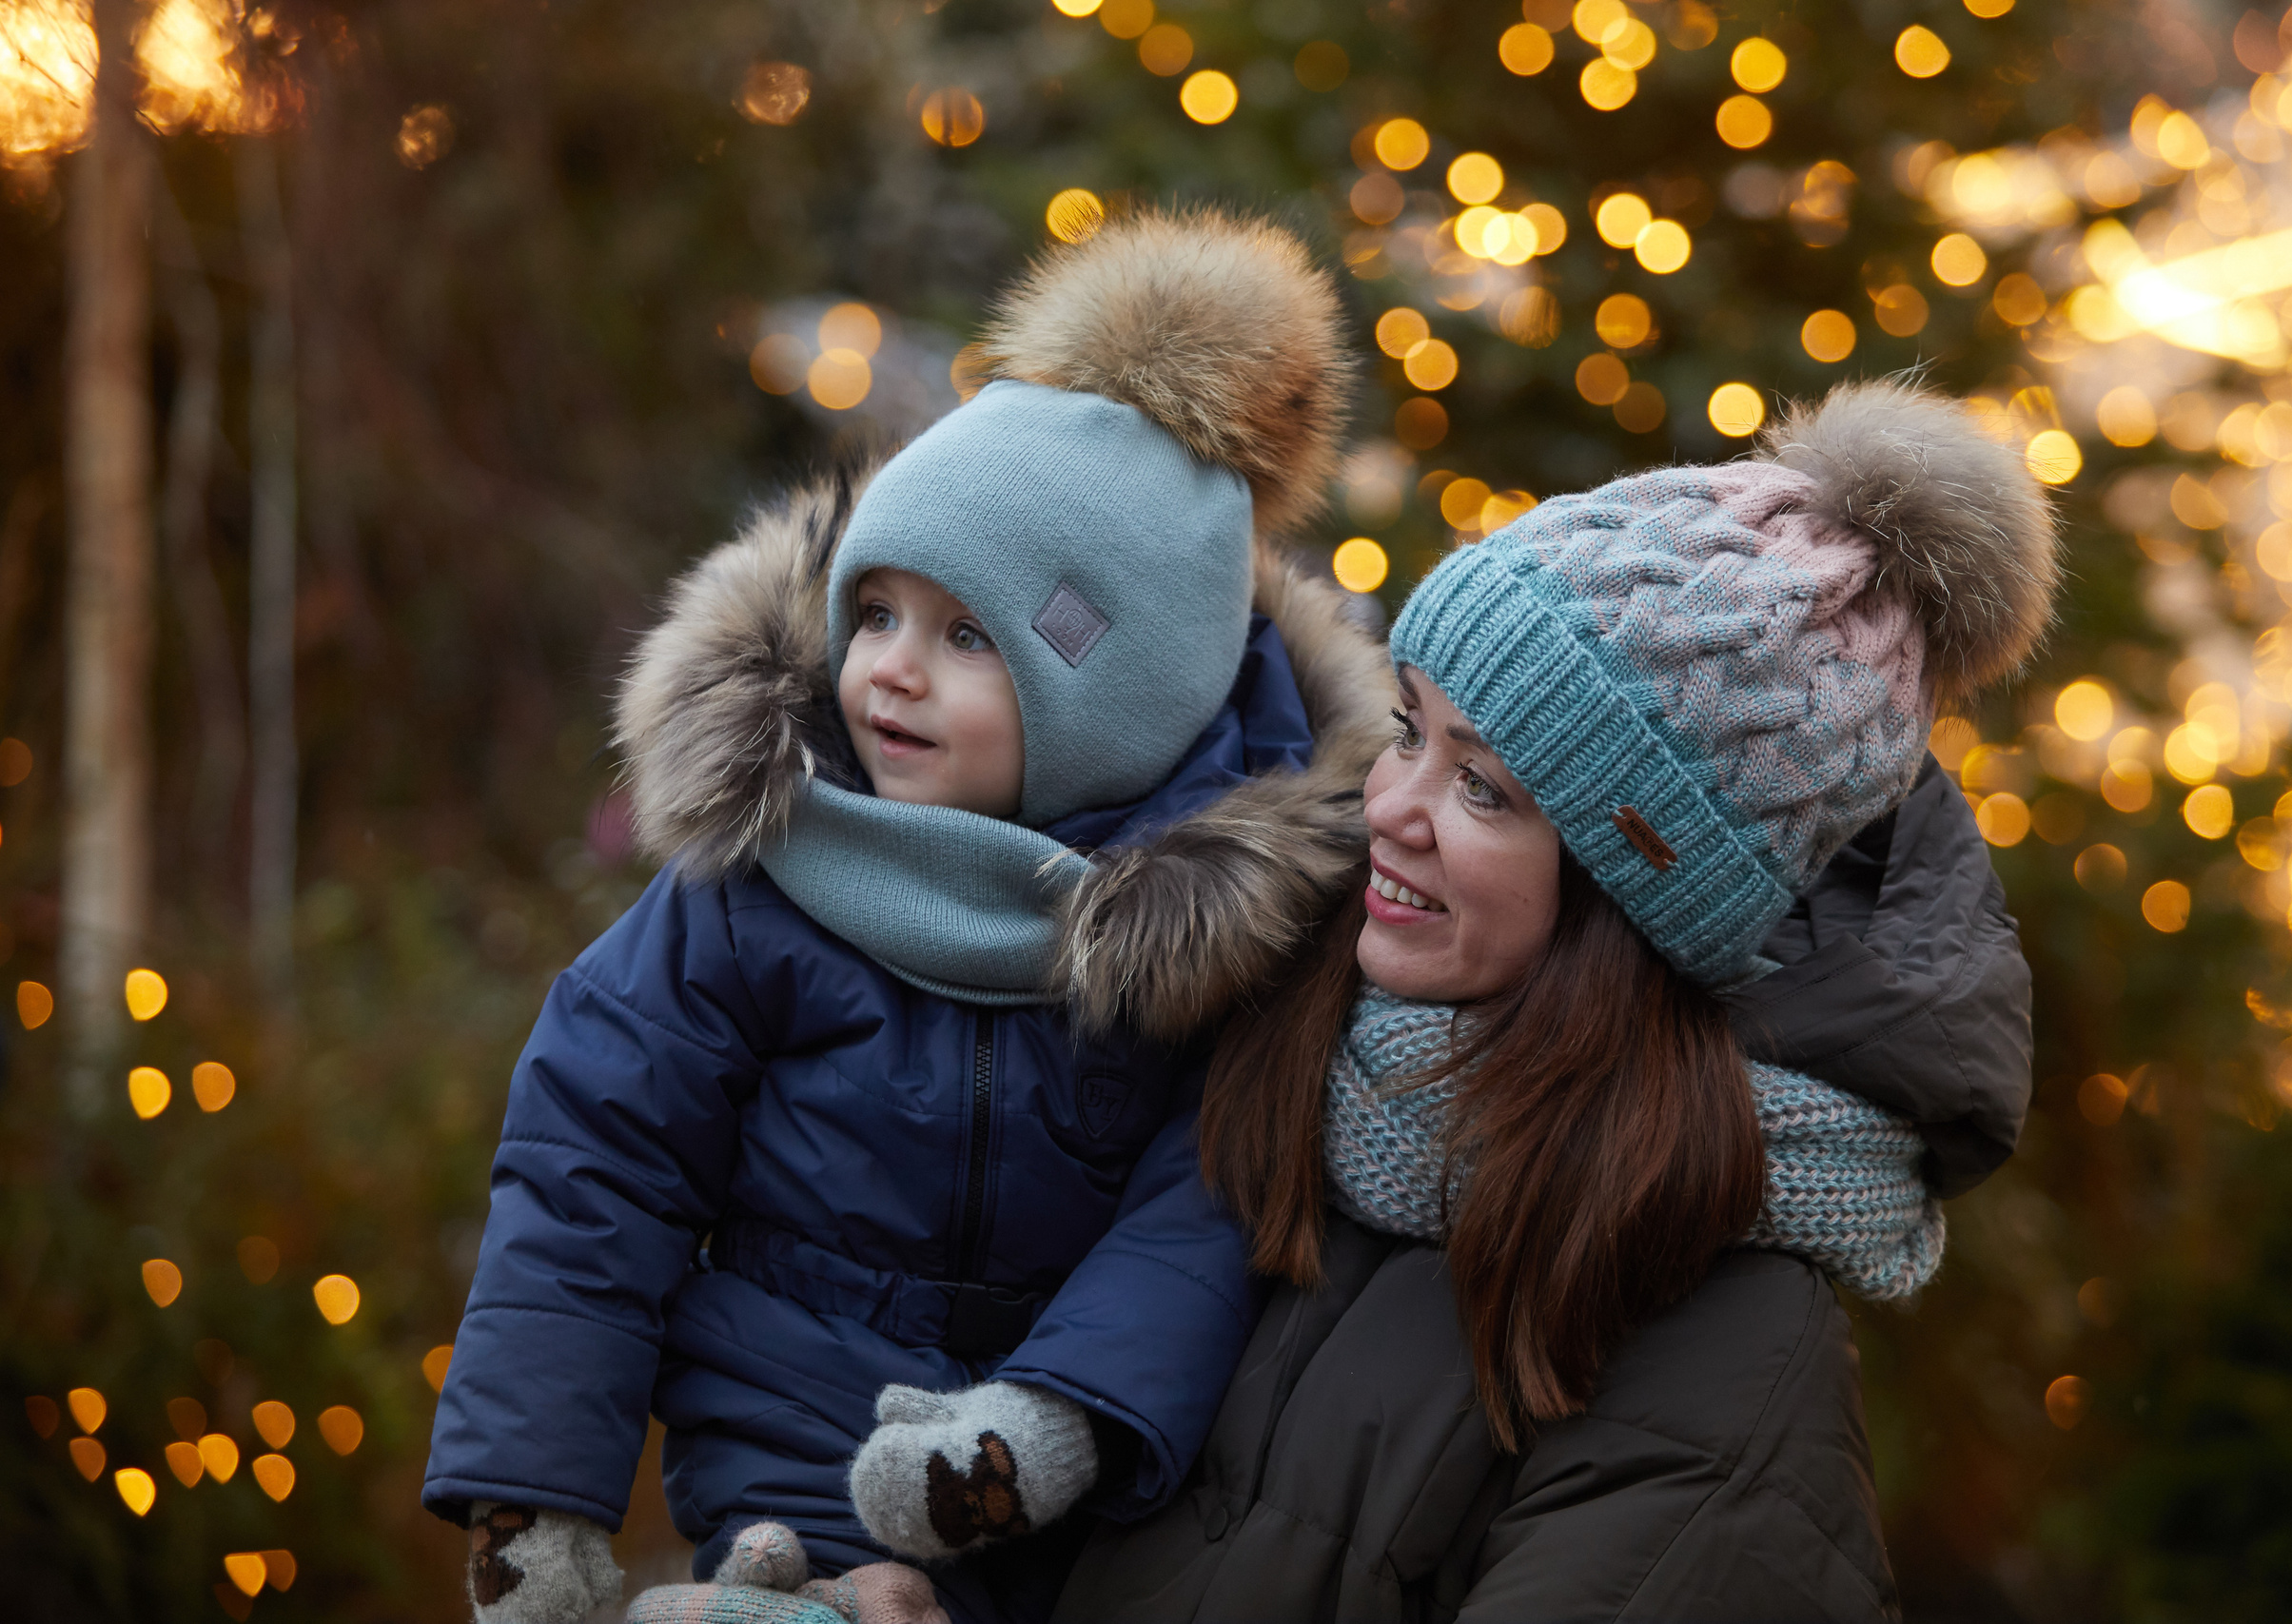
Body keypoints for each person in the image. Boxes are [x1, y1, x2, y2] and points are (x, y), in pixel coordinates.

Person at [418, 209, 1398, 1624]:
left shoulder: (1217, 938)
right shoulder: (771, 870)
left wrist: (1050, 1419)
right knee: (814, 1596)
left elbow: (1205, 1211)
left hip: (1057, 1475)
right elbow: (595, 1162)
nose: (890, 671)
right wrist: (534, 1496)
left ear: (1119, 702)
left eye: (968, 636)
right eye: (875, 612)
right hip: (783, 1432)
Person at [1053, 377, 2060, 1622]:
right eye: (1409, 731)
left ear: (1634, 898)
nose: (1389, 806)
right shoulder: (1269, 1067)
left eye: (1483, 789)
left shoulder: (1732, 1362)